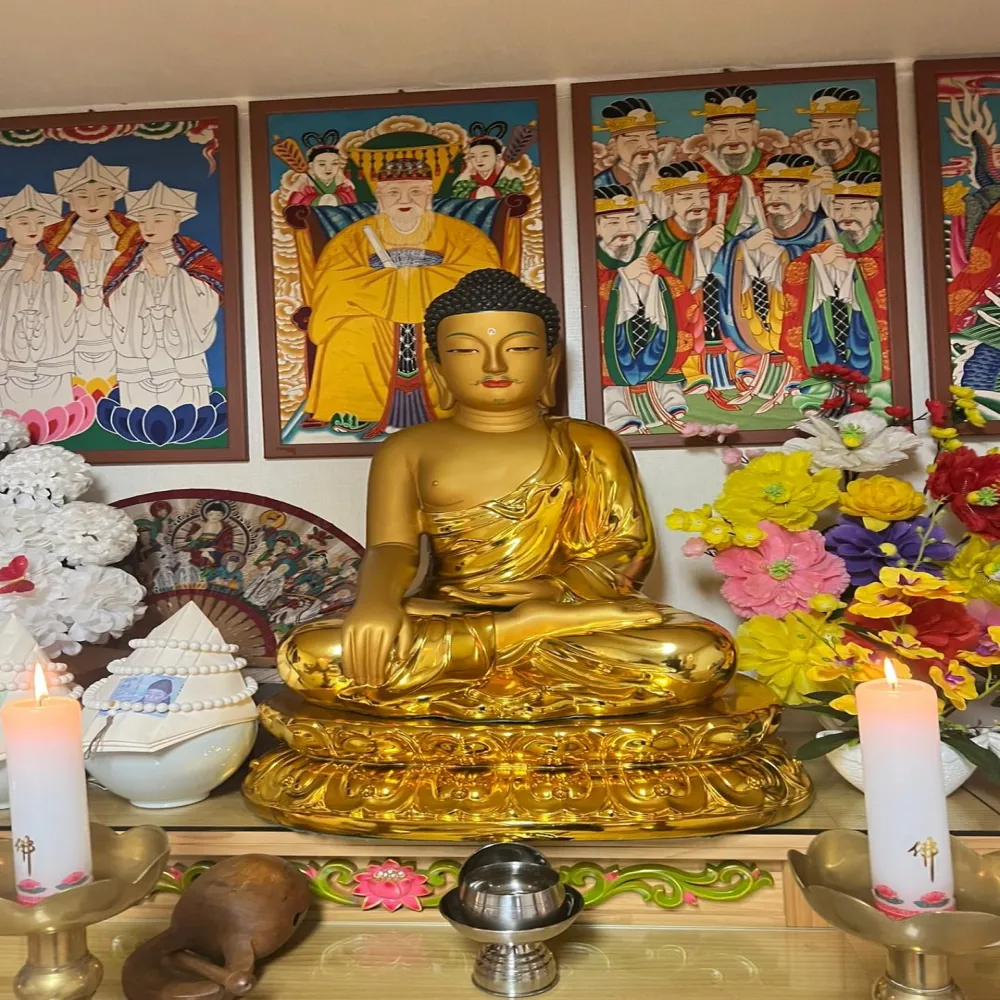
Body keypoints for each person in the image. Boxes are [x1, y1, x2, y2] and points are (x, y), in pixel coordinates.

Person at [278, 268, 736, 721]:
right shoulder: (407, 448)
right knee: (312, 653)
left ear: (550, 363)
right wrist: (376, 602)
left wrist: (556, 590)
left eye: (519, 348)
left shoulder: (590, 443)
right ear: (437, 367)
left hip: (572, 616)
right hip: (448, 611)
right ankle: (514, 631)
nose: (494, 366)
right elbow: (392, 547)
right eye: (465, 350)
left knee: (699, 651)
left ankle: (511, 635)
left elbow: (627, 548)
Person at [303, 150, 502, 436]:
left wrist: (412, 280)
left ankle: (456, 410)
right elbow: (334, 279)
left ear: (430, 193)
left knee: (454, 332)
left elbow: (481, 274)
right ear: (380, 196)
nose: (404, 200)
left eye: (415, 192)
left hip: (439, 313)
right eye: (394, 192)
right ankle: (356, 410)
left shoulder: (461, 233)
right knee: (352, 331)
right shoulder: (354, 237)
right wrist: (393, 285)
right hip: (370, 315)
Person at [712, 154, 829, 406]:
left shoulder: (822, 229)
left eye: (785, 190)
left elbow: (833, 268)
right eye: (770, 190)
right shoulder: (758, 230)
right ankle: (756, 362)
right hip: (762, 319)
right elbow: (721, 265)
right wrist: (745, 249)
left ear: (804, 192)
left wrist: (785, 257)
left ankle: (801, 370)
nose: (775, 197)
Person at [104, 182, 222, 409]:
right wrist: (142, 282)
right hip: (139, 344)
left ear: (177, 221)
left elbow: (208, 301)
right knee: (137, 406)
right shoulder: (129, 258)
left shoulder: (195, 255)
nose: (149, 227)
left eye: (158, 220)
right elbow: (115, 300)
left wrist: (169, 275)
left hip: (182, 345)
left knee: (188, 405)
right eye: (143, 221)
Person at [593, 185, 700, 433]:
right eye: (613, 222)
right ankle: (614, 405)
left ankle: (667, 389)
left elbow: (679, 293)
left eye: (630, 221)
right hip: (612, 338)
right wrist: (621, 280)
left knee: (674, 323)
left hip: (648, 331)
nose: (624, 229)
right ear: (596, 227)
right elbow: (586, 298)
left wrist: (654, 283)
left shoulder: (647, 257)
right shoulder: (590, 259)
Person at [781, 171, 890, 383]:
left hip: (869, 331)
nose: (846, 215)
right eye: (839, 208)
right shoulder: (826, 248)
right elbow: (793, 275)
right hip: (835, 326)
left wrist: (853, 269)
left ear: (874, 209)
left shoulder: (889, 244)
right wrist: (819, 263)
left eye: (855, 208)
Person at [40, 156, 139, 388]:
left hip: (115, 316)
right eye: (82, 196)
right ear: (69, 199)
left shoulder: (133, 233)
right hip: (68, 316)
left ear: (114, 197)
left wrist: (107, 262)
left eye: (102, 195)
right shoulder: (50, 235)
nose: (92, 202)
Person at [647, 162, 732, 400]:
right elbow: (649, 270)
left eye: (702, 196)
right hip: (680, 312)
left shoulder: (719, 230)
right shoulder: (656, 235)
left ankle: (731, 371)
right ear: (670, 201)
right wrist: (696, 248)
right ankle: (688, 373)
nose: (697, 204)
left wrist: (730, 253)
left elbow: (739, 271)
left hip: (717, 310)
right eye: (686, 198)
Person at [0, 186, 81, 411]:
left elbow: (72, 297)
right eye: (24, 222)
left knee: (54, 409)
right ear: (8, 226)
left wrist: (45, 280)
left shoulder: (57, 258)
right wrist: (18, 279)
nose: (33, 228)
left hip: (50, 348)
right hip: (6, 350)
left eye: (39, 222)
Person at [692, 86, 767, 239]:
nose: (733, 138)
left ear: (755, 129)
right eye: (722, 131)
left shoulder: (771, 166)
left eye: (743, 129)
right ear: (708, 133)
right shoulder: (697, 171)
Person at [593, 97, 667, 226]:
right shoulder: (601, 186)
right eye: (633, 140)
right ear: (614, 145)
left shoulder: (668, 178)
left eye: (651, 138)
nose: (645, 146)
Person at [798, 88, 880, 182]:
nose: (823, 134)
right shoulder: (804, 165)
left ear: (852, 127)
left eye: (833, 126)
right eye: (816, 127)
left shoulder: (871, 163)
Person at [453, 124, 525, 199]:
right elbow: (458, 193)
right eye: (473, 156)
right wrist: (476, 193)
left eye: (485, 155)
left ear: (497, 157)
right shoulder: (467, 176)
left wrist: (495, 192)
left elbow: (516, 193)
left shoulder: (507, 174)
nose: (478, 160)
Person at [288, 131, 357, 208]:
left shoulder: (343, 184)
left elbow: (352, 202)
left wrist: (336, 198)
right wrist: (318, 200)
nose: (328, 168)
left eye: (334, 163)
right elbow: (294, 205)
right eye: (322, 164)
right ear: (311, 166)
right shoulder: (306, 185)